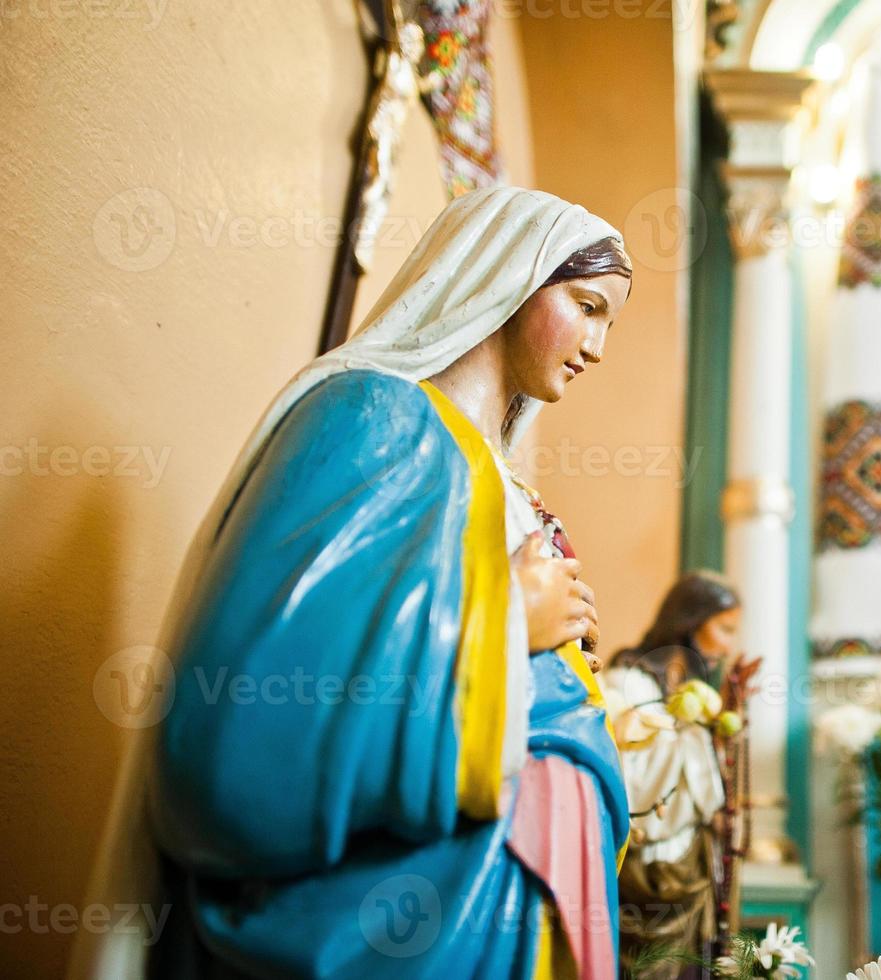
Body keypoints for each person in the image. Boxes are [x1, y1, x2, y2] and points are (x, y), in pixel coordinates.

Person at [128, 187, 632, 978]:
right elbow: (243, 717)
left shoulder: (499, 480)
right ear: (506, 277)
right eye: (587, 305)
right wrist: (505, 620)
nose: (598, 346)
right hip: (406, 920)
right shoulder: (376, 415)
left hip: (507, 910)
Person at [600, 572, 757, 980]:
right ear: (690, 621)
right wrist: (684, 729)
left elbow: (706, 783)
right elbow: (628, 782)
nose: (727, 644)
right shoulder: (626, 681)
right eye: (723, 629)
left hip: (693, 862)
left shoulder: (692, 691)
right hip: (647, 867)